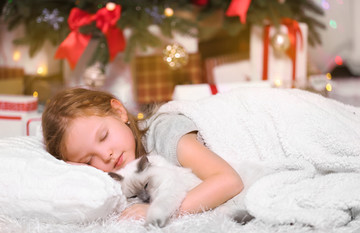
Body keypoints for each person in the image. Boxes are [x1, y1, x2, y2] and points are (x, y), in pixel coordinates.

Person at [42, 87, 244, 219]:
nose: (106, 155)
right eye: (89, 159)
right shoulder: (119, 177)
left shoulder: (165, 133)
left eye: (103, 136)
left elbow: (229, 181)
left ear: (119, 112)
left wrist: (162, 211)